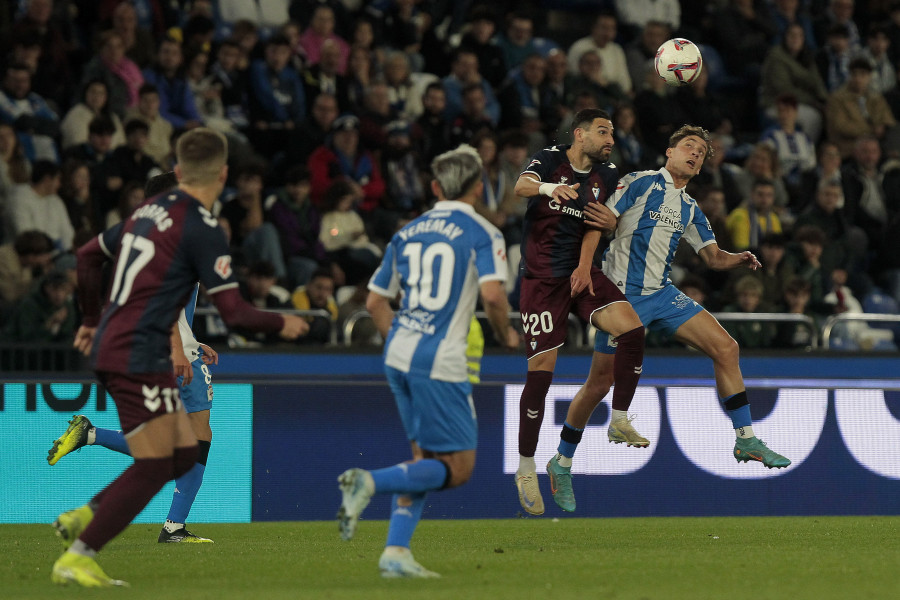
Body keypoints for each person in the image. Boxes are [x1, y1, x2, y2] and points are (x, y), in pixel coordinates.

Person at [49, 128, 308, 588]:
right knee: (169, 456)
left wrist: (90, 320)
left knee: (177, 450)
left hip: (117, 343)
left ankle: (84, 516)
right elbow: (234, 312)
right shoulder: (199, 227)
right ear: (223, 174)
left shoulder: (142, 218)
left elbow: (87, 256)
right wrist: (280, 323)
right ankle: (89, 541)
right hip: (145, 348)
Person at [336, 144, 519, 578]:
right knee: (458, 470)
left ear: (435, 187)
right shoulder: (482, 232)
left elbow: (376, 300)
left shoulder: (407, 231)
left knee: (422, 461)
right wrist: (504, 333)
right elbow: (493, 295)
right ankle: (370, 482)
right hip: (440, 361)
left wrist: (399, 339)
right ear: (478, 187)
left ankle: (395, 553)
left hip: (398, 355)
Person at [577, 125, 790, 499]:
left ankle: (746, 439)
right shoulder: (639, 182)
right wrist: (591, 255)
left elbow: (711, 257)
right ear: (669, 152)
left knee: (727, 349)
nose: (695, 154)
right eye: (688, 147)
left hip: (662, 295)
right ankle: (562, 461)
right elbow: (602, 219)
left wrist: (737, 259)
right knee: (598, 385)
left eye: (701, 153)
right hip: (622, 298)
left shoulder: (690, 207)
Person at [47, 171, 228, 544]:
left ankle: (92, 437)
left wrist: (190, 340)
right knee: (187, 443)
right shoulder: (177, 237)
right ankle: (168, 526)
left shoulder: (135, 234)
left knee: (174, 443)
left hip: (147, 346)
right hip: (168, 350)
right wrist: (180, 347)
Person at [513, 108, 646, 516]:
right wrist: (549, 188)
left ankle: (619, 417)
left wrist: (586, 266)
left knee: (632, 330)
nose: (610, 139)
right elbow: (521, 186)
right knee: (542, 374)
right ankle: (525, 466)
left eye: (612, 132)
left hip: (580, 273)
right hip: (541, 281)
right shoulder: (550, 158)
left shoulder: (606, 176)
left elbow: (593, 225)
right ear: (580, 134)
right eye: (602, 131)